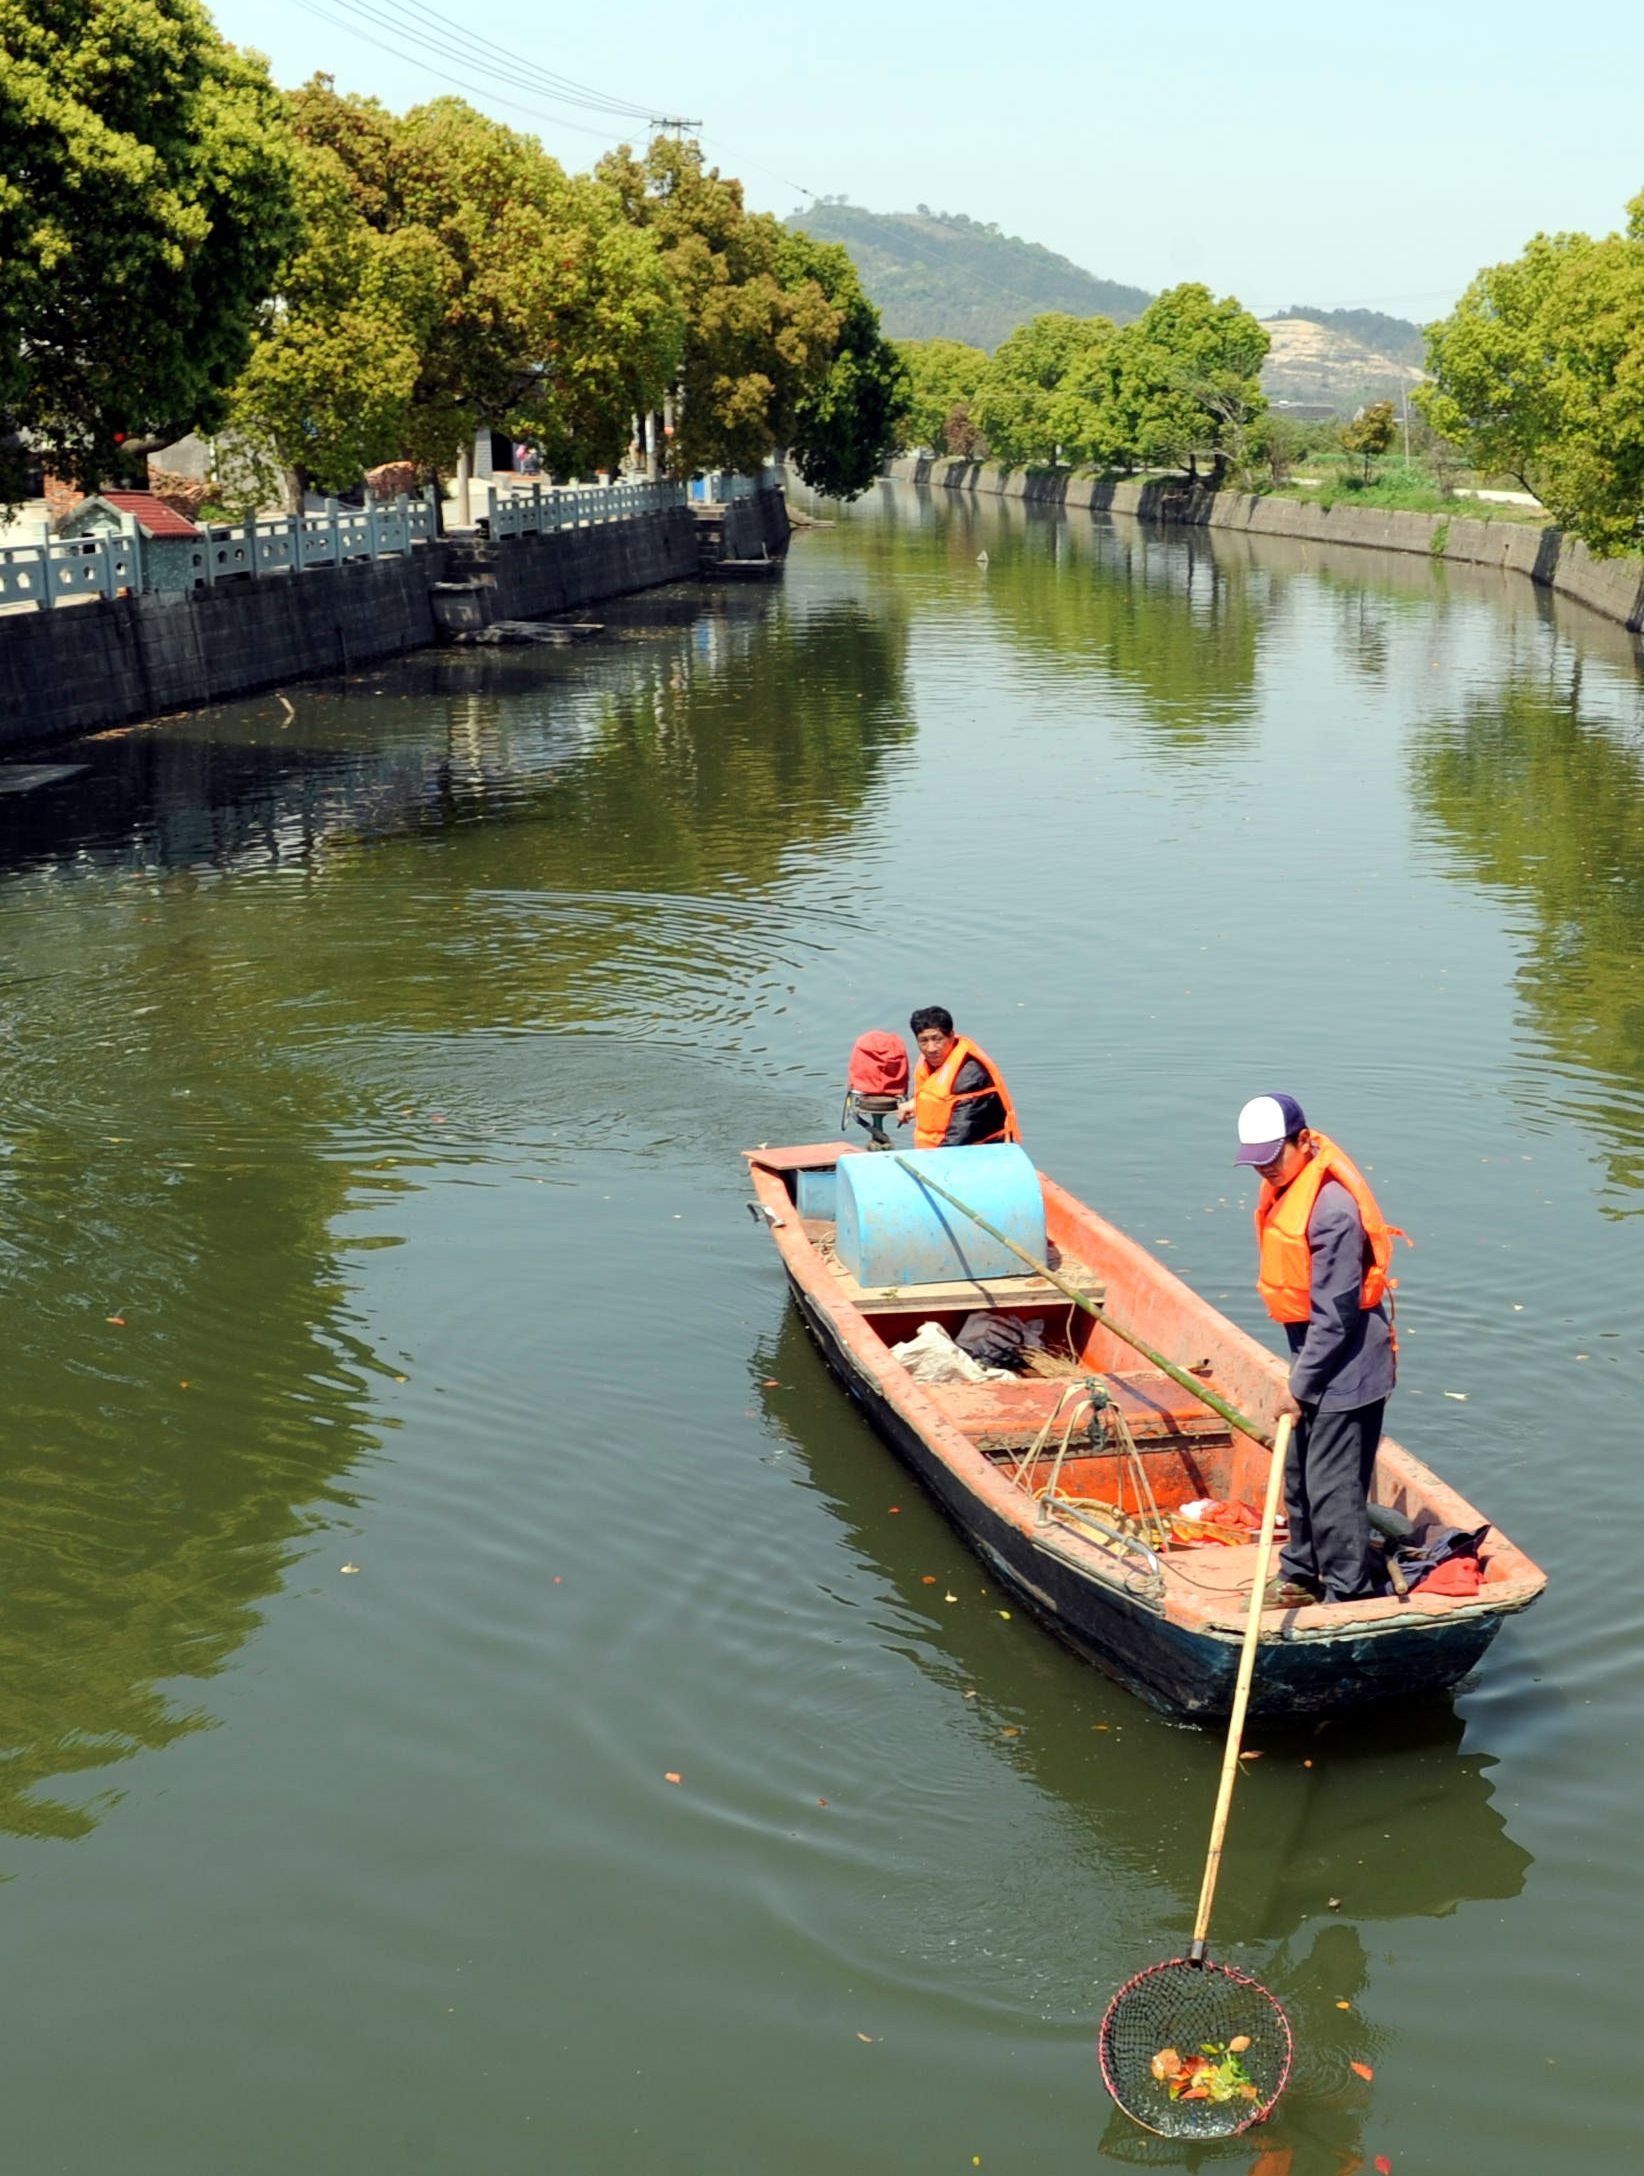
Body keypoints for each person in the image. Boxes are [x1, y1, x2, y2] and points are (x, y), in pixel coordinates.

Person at [1234, 1092, 1403, 1605]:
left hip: (1348, 1367)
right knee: (1298, 1474)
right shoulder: (1288, 1189)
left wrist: (1299, 1386)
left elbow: (1335, 1316)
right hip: (1315, 1354)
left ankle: (1350, 1594)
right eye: (1256, 1161)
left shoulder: (1332, 1211)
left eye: (1272, 1157)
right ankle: (1301, 1573)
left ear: (1303, 1141)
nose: (1265, 1169)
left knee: (1332, 1487)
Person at [897, 1007, 1021, 1149]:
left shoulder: (971, 1078)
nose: (931, 1048)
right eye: (923, 1041)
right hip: (934, 1151)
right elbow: (937, 1093)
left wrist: (930, 1163)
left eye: (937, 1039)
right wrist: (917, 1102)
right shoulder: (930, 1061)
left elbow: (960, 1134)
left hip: (978, 1154)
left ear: (951, 1036)